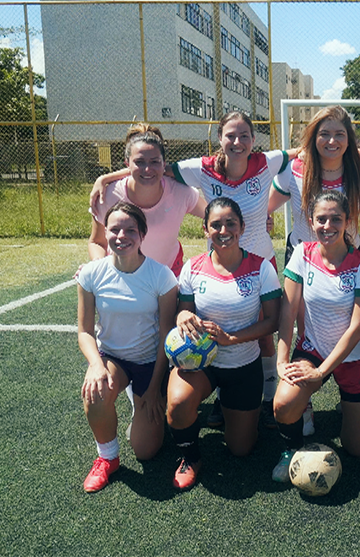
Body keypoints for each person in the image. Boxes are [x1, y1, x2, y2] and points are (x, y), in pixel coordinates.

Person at [91, 112, 295, 427]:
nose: (237, 142)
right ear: (220, 139)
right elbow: (154, 168)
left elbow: (309, 151)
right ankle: (213, 396)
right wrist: (105, 178)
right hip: (220, 261)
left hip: (259, 261)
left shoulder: (266, 162)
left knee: (262, 335)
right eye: (230, 135)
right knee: (209, 329)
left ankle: (266, 398)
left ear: (254, 140)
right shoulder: (201, 168)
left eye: (244, 136)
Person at [166, 197, 282, 490]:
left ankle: (235, 408)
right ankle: (190, 457)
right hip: (202, 364)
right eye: (215, 224)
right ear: (205, 230)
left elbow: (273, 321)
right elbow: (183, 308)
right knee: (178, 405)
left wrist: (232, 338)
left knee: (241, 449)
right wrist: (182, 316)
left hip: (243, 365)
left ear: (242, 227)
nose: (223, 229)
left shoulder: (261, 269)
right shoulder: (193, 267)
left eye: (231, 223)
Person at [271, 191, 360, 482]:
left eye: (336, 219)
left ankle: (353, 408)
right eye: (321, 219)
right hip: (313, 350)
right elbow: (288, 311)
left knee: (357, 449)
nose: (327, 225)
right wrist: (282, 361)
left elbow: (358, 326)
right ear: (311, 221)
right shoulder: (302, 254)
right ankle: (291, 447)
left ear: (348, 222)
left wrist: (321, 372)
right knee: (282, 405)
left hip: (354, 358)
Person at [77, 202, 178, 492]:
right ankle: (107, 458)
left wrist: (153, 388)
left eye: (130, 230)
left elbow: (165, 336)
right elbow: (84, 331)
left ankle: (141, 401)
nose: (122, 236)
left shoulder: (161, 276)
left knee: (146, 450)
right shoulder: (91, 274)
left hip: (150, 362)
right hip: (113, 359)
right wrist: (96, 365)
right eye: (115, 229)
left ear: (142, 235)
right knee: (95, 393)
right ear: (105, 232)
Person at [89, 124, 205, 278]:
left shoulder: (181, 193)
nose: (147, 169)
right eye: (139, 162)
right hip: (123, 279)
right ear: (127, 163)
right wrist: (99, 267)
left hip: (167, 280)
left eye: (155, 162)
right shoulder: (107, 195)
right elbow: (97, 242)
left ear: (164, 164)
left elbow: (215, 214)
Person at [269, 105, 360, 262]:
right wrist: (265, 219)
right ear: (314, 138)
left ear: (348, 140)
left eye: (340, 134)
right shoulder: (293, 170)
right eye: (324, 134)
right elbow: (265, 208)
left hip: (348, 258)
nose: (332, 141)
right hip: (302, 258)